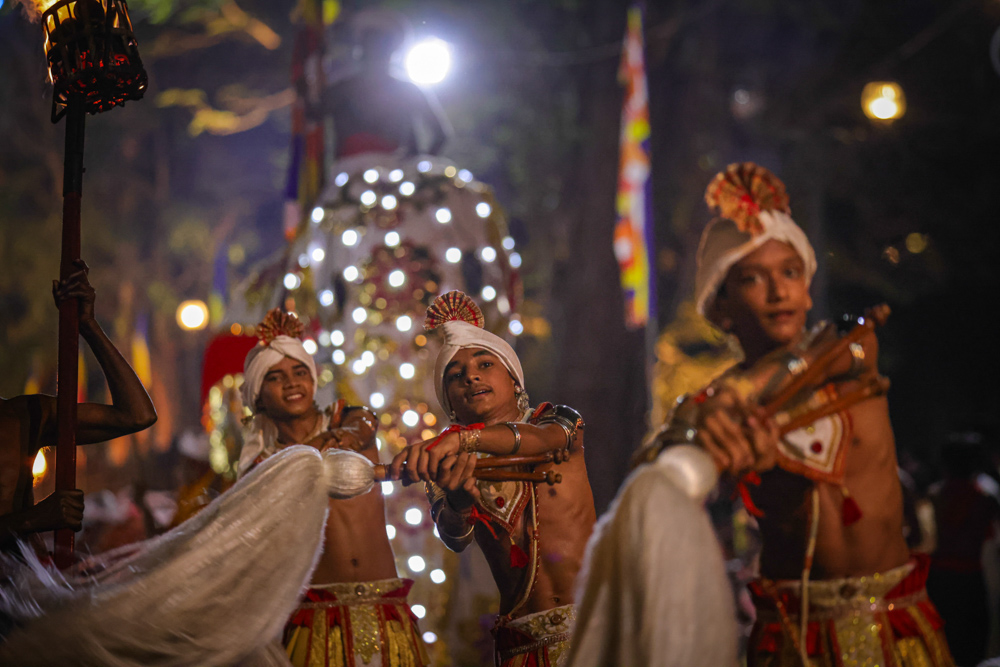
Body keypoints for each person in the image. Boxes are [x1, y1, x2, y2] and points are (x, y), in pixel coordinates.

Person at [632, 163, 954, 666]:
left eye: (790, 272)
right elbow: (656, 471)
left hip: (892, 630)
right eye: (752, 278)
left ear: (807, 287)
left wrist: (742, 390)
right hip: (794, 641)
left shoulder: (848, 350)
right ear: (720, 305)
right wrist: (694, 449)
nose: (779, 292)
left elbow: (844, 351)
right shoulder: (715, 410)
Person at [389, 291, 597, 667]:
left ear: (514, 380)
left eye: (485, 364)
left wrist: (463, 439)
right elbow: (454, 537)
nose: (471, 376)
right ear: (450, 402)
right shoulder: (450, 464)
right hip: (523, 645)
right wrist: (459, 502)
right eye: (456, 375)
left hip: (596, 631)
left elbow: (542, 442)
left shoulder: (555, 421)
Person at [238, 307, 429, 667]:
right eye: (275, 377)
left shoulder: (350, 420)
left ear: (313, 380)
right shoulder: (261, 468)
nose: (291, 383)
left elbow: (363, 427)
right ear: (257, 395)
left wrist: (333, 439)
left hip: (386, 610)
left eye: (299, 372)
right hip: (315, 622)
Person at [0, 259, 157, 553]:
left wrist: (88, 326)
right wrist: (33, 519)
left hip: (24, 575)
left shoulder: (21, 416)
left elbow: (136, 415)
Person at [325, 10, 451, 158]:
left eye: (381, 43)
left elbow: (440, 134)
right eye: (369, 42)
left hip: (398, 168)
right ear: (361, 48)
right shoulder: (343, 88)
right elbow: (313, 114)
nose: (375, 49)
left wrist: (419, 164)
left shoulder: (408, 91)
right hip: (349, 168)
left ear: (392, 49)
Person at [927, 433, 1000, 665]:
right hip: (971, 581)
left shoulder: (934, 497)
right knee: (971, 648)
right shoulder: (986, 500)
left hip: (938, 581)